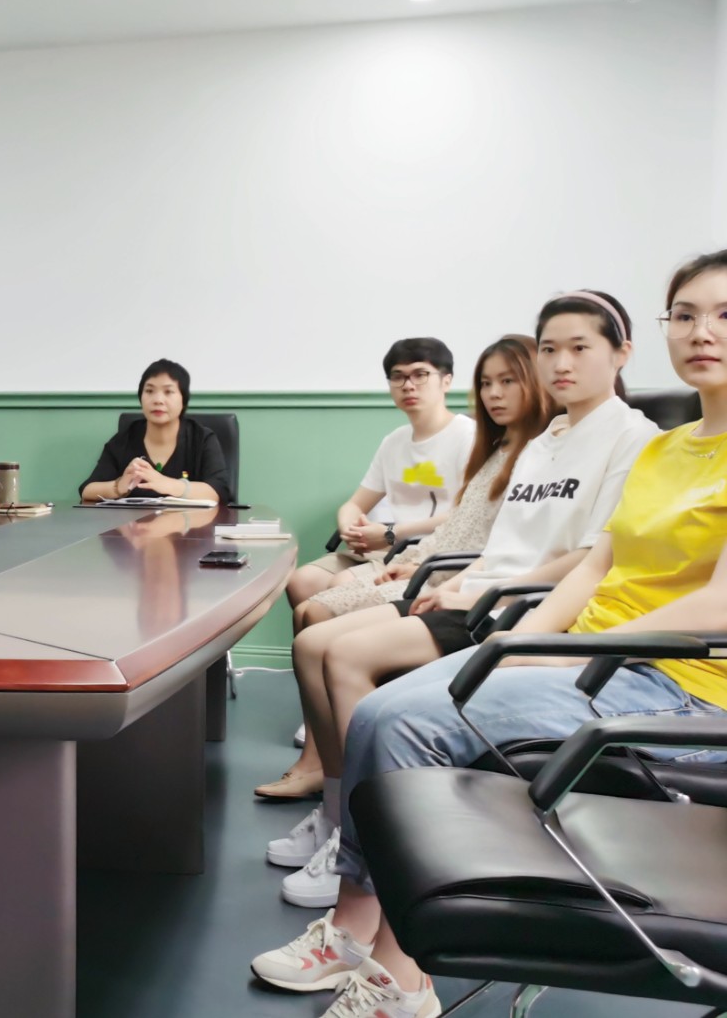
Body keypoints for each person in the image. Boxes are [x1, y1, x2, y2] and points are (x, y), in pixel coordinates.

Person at [249, 260, 727, 1018]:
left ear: (621, 351)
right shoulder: (666, 450)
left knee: (404, 722)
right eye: (686, 314)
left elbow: (719, 603)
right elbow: (595, 566)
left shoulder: (634, 438)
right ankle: (358, 929)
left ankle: (398, 975)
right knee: (377, 711)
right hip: (594, 659)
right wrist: (525, 645)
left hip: (677, 682)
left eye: (724, 315)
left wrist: (582, 651)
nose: (703, 332)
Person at [264, 292, 659, 911]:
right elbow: (501, 544)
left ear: (621, 352)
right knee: (312, 640)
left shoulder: (634, 438)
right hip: (476, 592)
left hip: (516, 607)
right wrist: (455, 581)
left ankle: (363, 842)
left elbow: (588, 560)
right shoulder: (543, 440)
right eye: (550, 349)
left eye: (580, 347)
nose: (561, 363)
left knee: (342, 656)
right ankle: (337, 815)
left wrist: (475, 588)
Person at [257, 335, 553, 800]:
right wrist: (380, 540)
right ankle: (324, 766)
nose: (494, 394)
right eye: (487, 383)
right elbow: (459, 525)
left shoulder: (507, 447)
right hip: (422, 561)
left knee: (318, 614)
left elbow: (503, 546)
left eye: (508, 382)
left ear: (445, 381)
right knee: (306, 596)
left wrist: (401, 542)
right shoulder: (486, 447)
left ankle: (337, 781)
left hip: (451, 578)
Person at [284, 338, 476, 618]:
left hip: (427, 550)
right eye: (398, 377)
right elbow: (354, 504)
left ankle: (341, 645)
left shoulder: (468, 436)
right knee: (301, 581)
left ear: (446, 381)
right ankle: (316, 646)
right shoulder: (394, 441)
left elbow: (466, 516)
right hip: (389, 547)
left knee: (339, 586)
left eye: (420, 375)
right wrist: (353, 531)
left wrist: (390, 533)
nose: (408, 385)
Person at [79, 358, 231, 504]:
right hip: (135, 522)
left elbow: (219, 491)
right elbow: (87, 490)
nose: (158, 400)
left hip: (189, 521)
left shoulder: (201, 438)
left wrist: (168, 484)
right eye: (149, 391)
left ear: (183, 399)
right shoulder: (125, 438)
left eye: (168, 392)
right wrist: (118, 486)